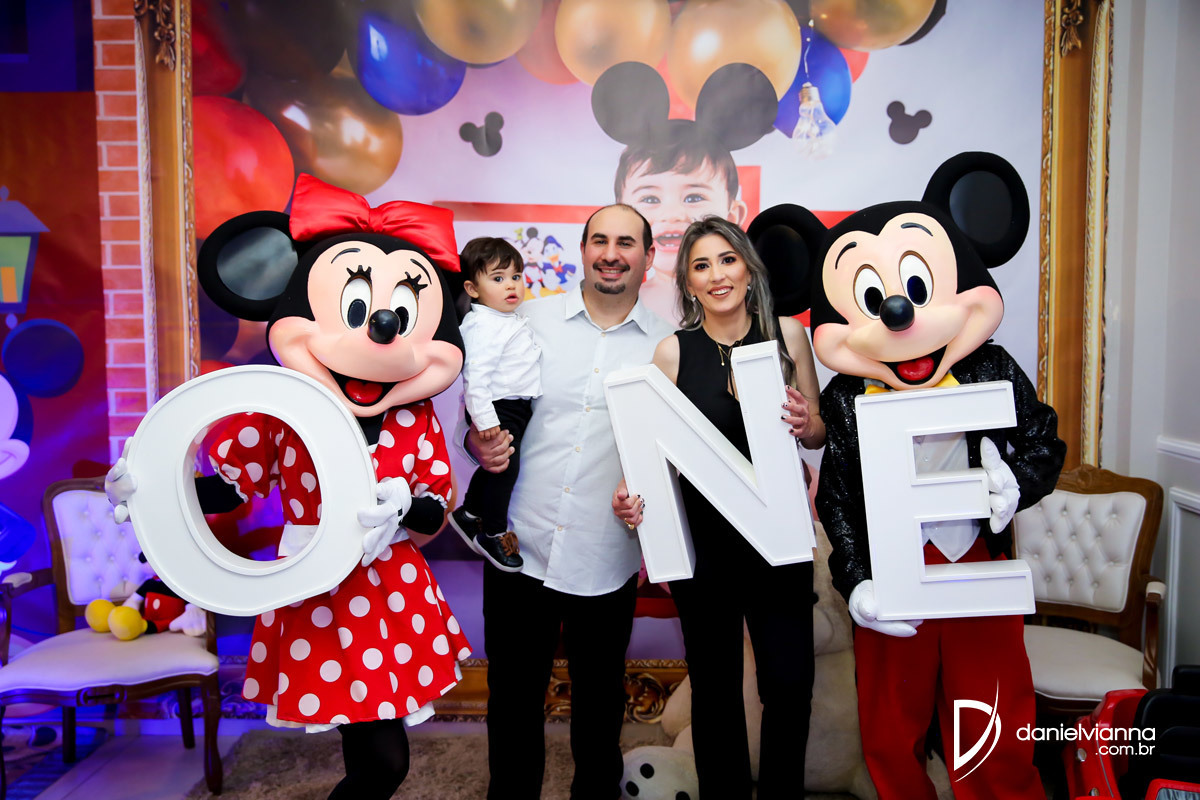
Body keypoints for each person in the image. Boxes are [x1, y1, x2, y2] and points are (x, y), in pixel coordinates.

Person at [465, 203, 674, 800]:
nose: (611, 254)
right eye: (600, 240)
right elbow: (483, 406)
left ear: (648, 256)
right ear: (582, 250)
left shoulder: (668, 345)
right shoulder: (525, 319)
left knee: (600, 708)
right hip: (519, 544)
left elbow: (668, 450)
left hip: (605, 552)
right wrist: (478, 442)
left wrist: (647, 492)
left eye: (626, 243)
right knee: (512, 701)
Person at [612, 215, 823, 799]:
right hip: (706, 545)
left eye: (727, 260)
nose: (717, 275)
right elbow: (648, 446)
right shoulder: (672, 352)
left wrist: (806, 422)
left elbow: (818, 432)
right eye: (701, 266)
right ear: (688, 283)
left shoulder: (789, 336)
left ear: (748, 269)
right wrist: (630, 493)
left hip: (778, 537)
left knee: (788, 684)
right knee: (715, 688)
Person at [449, 237, 542, 572]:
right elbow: (475, 377)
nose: (511, 285)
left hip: (514, 407)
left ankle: (468, 513)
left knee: (497, 467)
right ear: (472, 289)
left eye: (516, 276)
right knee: (505, 469)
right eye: (498, 278)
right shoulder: (482, 325)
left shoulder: (505, 318)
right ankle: (493, 533)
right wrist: (485, 419)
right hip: (497, 407)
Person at [614, 128, 748, 323]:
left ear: (733, 216)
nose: (672, 215)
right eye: (650, 199)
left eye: (693, 198)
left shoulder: (751, 306)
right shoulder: (621, 308)